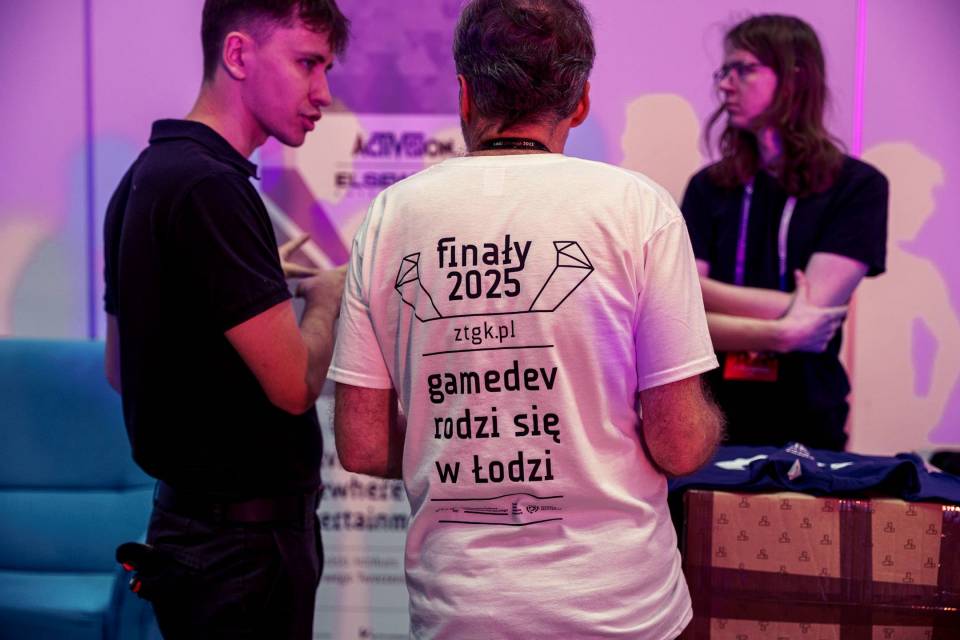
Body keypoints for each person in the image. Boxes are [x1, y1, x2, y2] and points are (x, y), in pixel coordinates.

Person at [328, 0, 724, 637]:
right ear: (581, 100)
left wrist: (466, 444)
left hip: (462, 612)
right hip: (622, 610)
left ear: (464, 95)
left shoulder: (390, 218)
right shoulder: (637, 210)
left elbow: (363, 444)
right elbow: (678, 443)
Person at [102, 1, 349, 637]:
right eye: (307, 63)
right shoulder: (211, 188)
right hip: (243, 556)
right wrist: (327, 296)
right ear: (238, 54)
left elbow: (121, 370)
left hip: (191, 541)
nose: (323, 93)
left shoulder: (142, 177)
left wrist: (250, 287)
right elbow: (293, 386)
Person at [680, 14, 888, 452]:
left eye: (743, 69)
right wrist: (784, 330)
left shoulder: (858, 186)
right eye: (724, 71)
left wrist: (700, 292)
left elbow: (815, 310)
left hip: (807, 416)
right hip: (713, 417)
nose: (725, 85)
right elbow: (682, 314)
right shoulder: (708, 187)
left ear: (795, 77)